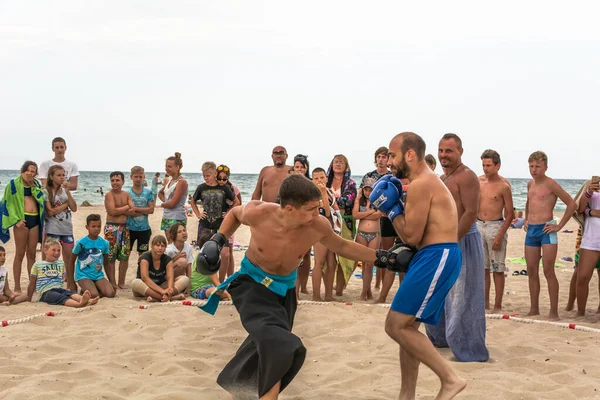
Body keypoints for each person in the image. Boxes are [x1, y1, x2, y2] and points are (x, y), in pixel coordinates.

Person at [197, 174, 404, 399]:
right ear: (288, 208)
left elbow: (343, 246)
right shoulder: (259, 212)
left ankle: (245, 389)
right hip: (252, 284)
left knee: (270, 347)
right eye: (311, 208)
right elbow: (235, 214)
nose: (317, 213)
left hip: (284, 293)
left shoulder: (317, 226)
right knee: (280, 344)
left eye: (317, 207)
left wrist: (385, 258)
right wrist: (217, 240)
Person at [370, 132, 465, 399]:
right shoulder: (421, 182)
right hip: (432, 255)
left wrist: (391, 210)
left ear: (410, 154)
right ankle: (407, 394)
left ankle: (450, 379)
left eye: (393, 155)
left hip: (438, 255)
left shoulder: (423, 183)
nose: (389, 161)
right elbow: (415, 234)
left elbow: (410, 235)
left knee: (395, 325)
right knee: (407, 327)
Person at [425, 133, 489, 362]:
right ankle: (441, 338)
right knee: (440, 292)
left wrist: (452, 241)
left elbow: (471, 213)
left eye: (449, 151)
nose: (444, 155)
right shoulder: (442, 178)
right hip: (443, 241)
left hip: (463, 241)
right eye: (441, 150)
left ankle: (469, 348)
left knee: (464, 295)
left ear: (460, 151)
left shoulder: (467, 176)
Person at [524, 151, 576, 320]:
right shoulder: (530, 184)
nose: (534, 169)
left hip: (547, 231)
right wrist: (525, 219)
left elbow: (572, 204)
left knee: (548, 271)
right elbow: (528, 202)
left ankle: (553, 312)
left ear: (545, 167)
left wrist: (559, 225)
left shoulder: (551, 184)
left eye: (537, 166)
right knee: (531, 271)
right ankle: (534, 308)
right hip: (531, 230)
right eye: (531, 166)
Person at [477, 150, 514, 313]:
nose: (485, 168)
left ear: (497, 166)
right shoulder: (478, 182)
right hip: (479, 225)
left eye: (489, 165)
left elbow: (510, 213)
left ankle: (497, 305)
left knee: (497, 268)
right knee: (483, 267)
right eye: (484, 165)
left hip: (495, 226)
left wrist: (500, 234)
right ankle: (485, 303)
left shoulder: (503, 186)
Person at [1, 161, 46, 293]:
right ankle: (17, 287)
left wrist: (34, 187)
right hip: (21, 220)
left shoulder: (36, 184)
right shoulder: (13, 184)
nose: (30, 173)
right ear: (23, 171)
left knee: (32, 254)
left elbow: (41, 200)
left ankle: (33, 285)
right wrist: (15, 220)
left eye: (33, 171)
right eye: (28, 170)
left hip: (35, 220)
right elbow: (7, 203)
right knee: (19, 254)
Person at [191, 162, 235, 281]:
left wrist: (229, 212)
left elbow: (235, 201)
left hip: (221, 226)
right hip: (205, 225)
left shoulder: (224, 188)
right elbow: (192, 201)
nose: (206, 178)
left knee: (225, 254)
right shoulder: (201, 187)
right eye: (204, 175)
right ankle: (204, 281)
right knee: (203, 253)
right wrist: (198, 214)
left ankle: (221, 282)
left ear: (215, 174)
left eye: (208, 175)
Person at [27, 238, 99, 307]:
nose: (57, 253)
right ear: (45, 250)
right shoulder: (38, 264)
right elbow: (32, 283)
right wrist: (29, 298)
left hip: (59, 289)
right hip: (46, 292)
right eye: (53, 250)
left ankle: (85, 300)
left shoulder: (60, 263)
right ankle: (78, 304)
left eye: (59, 250)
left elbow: (64, 278)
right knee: (60, 297)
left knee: (70, 293)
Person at [359, 146, 391, 293]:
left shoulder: (391, 177)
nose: (381, 160)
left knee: (385, 252)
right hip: (371, 221)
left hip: (389, 217)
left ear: (388, 159)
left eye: (384, 157)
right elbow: (360, 200)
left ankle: (380, 283)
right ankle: (373, 286)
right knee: (372, 255)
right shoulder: (368, 176)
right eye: (378, 157)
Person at [43, 165, 78, 291]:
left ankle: (70, 283)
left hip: (67, 229)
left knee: (69, 258)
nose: (62, 177)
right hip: (52, 229)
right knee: (50, 257)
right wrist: (65, 204)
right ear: (51, 177)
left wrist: (68, 191)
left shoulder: (65, 191)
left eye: (63, 175)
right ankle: (48, 283)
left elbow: (74, 208)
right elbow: (50, 212)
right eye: (59, 175)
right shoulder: (46, 191)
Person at [326, 154, 357, 296]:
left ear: (346, 167)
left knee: (344, 256)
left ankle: (339, 289)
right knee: (328, 256)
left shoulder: (350, 183)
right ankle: (328, 288)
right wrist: (336, 201)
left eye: (341, 162)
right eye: (336, 162)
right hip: (327, 221)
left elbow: (349, 201)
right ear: (332, 165)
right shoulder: (326, 181)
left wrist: (330, 201)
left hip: (345, 221)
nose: (338, 164)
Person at [311, 167, 341, 301]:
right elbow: (326, 213)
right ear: (312, 180)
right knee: (319, 262)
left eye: (322, 177)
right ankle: (316, 296)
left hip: (332, 230)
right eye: (316, 178)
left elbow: (334, 212)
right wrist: (322, 192)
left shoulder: (329, 193)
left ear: (327, 178)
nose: (319, 181)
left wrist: (325, 192)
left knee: (332, 262)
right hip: (318, 231)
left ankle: (329, 295)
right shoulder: (311, 194)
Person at [131, 235, 189, 302]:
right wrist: (162, 291)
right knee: (135, 282)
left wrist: (169, 289)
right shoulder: (145, 258)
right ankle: (168, 298)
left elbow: (170, 277)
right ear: (152, 246)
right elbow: (145, 278)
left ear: (165, 248)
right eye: (157, 245)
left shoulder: (167, 260)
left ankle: (158, 298)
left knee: (185, 279)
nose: (160, 248)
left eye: (162, 246)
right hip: (146, 287)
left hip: (161, 285)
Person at [352, 180, 384, 300]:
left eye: (371, 189)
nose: (368, 192)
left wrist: (363, 214)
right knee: (364, 263)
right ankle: (367, 291)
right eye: (366, 189)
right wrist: (370, 212)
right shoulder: (359, 200)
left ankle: (364, 293)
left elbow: (378, 216)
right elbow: (355, 215)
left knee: (370, 264)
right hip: (362, 234)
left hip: (375, 234)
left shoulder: (379, 201)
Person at [574, 176, 600, 316]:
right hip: (591, 237)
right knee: (583, 277)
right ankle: (580, 312)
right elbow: (579, 209)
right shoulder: (592, 184)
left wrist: (592, 212)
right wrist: (589, 192)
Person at [73, 214, 115, 299]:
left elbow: (106, 263)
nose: (96, 229)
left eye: (99, 226)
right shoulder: (81, 243)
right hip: (83, 275)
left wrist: (112, 281)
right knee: (94, 295)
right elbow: (71, 261)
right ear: (87, 227)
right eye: (93, 226)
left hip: (98, 275)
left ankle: (94, 287)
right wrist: (71, 281)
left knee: (111, 294)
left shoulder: (104, 243)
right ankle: (88, 288)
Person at [104, 171, 133, 290]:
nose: (115, 183)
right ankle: (113, 282)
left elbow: (133, 210)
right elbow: (112, 211)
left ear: (123, 182)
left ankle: (121, 282)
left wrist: (120, 209)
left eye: (117, 180)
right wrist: (126, 207)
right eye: (112, 180)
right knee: (111, 256)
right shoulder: (109, 195)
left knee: (124, 256)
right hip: (112, 227)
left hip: (124, 227)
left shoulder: (126, 194)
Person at [216, 165, 242, 280]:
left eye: (224, 179)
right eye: (219, 178)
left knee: (229, 251)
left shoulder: (233, 188)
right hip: (215, 222)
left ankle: (230, 278)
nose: (221, 181)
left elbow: (239, 203)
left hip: (229, 221)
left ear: (228, 178)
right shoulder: (214, 187)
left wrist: (228, 212)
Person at [189, 229, 231, 301]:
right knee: (214, 291)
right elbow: (217, 283)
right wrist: (228, 295)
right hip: (199, 288)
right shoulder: (208, 257)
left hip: (211, 285)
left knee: (235, 286)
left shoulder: (210, 255)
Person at [290, 155, 311, 294]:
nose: (299, 169)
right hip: (292, 223)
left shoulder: (310, 183)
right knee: (294, 254)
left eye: (302, 167)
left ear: (306, 168)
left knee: (307, 255)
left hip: (307, 222)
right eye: (297, 167)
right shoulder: (288, 183)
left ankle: (303, 285)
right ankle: (294, 287)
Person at [158, 153, 188, 242]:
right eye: (166, 166)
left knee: (177, 244)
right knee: (170, 244)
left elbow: (173, 203)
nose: (167, 169)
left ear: (177, 167)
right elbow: (160, 193)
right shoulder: (169, 181)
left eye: (169, 166)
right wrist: (166, 201)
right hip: (166, 216)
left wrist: (163, 204)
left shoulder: (181, 182)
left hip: (177, 217)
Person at [126, 166, 155, 260]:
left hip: (144, 230)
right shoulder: (127, 193)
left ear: (144, 177)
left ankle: (142, 274)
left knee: (143, 256)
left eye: (140, 177)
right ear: (131, 177)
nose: (138, 179)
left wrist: (135, 209)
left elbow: (151, 210)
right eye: (136, 176)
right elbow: (126, 212)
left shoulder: (148, 192)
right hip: (129, 229)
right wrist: (142, 211)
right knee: (126, 255)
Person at [165, 222, 194, 294]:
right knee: (182, 261)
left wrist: (188, 286)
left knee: (185, 278)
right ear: (174, 235)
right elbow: (163, 267)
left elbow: (189, 267)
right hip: (166, 277)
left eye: (184, 230)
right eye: (179, 232)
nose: (183, 233)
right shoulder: (169, 249)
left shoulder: (188, 247)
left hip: (179, 277)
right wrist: (176, 258)